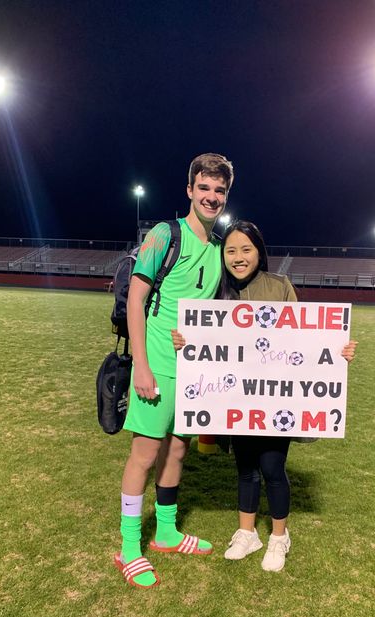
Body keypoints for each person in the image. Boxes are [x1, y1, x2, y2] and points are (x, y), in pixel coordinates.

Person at [172, 220, 357, 572]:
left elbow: (306, 340)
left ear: (259, 251)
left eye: (246, 249)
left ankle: (278, 536)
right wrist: (185, 341)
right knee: (245, 469)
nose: (238, 258)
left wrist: (338, 351)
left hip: (276, 401)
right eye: (230, 251)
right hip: (235, 400)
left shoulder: (280, 286)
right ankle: (247, 533)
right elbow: (203, 341)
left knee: (272, 467)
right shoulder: (216, 292)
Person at [114, 153, 234, 589]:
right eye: (204, 188)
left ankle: (165, 532)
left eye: (219, 191)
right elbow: (136, 301)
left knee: (178, 451)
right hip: (158, 367)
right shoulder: (167, 234)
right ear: (189, 190)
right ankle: (129, 548)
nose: (212, 197)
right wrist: (141, 366)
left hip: (195, 372)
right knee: (144, 455)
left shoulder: (220, 248)